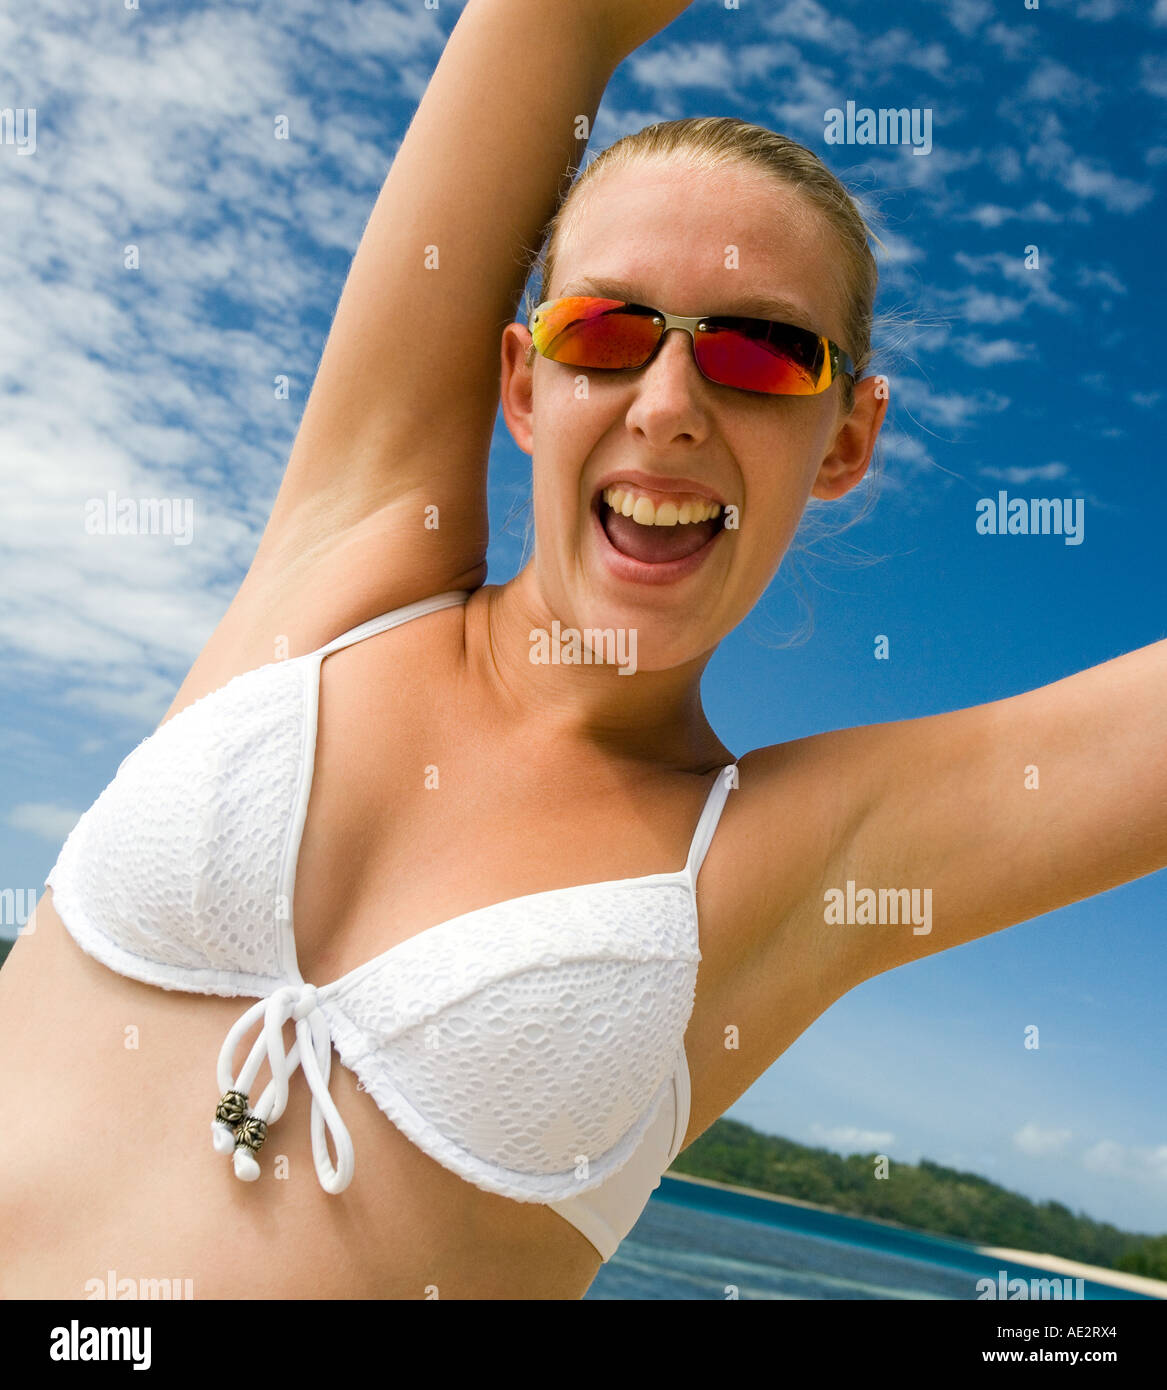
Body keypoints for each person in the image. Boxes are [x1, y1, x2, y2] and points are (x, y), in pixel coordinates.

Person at [1, 0, 1163, 1302]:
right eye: (605, 334)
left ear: (845, 437)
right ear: (521, 378)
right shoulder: (350, 571)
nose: (667, 405)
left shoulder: (780, 866)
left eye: (761, 352)